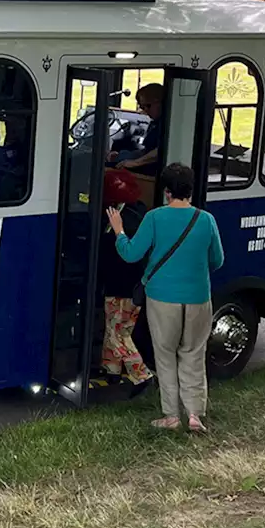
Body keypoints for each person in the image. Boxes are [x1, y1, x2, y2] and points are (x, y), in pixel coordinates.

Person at [108, 163, 224, 431]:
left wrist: (119, 230)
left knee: (165, 354)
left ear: (166, 192)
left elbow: (130, 254)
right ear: (191, 191)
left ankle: (171, 415)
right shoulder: (206, 220)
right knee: (194, 353)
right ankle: (195, 414)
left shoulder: (155, 218)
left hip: (162, 298)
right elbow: (217, 260)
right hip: (198, 298)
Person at [98, 170, 152, 389]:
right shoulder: (140, 211)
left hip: (117, 284)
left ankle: (142, 375)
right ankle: (111, 369)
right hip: (137, 285)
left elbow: (106, 250)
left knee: (115, 332)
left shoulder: (113, 218)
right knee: (122, 328)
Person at [110, 83, 163, 175]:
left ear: (160, 102)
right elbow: (148, 151)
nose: (145, 111)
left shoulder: (170, 125)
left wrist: (135, 163)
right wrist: (120, 156)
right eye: (142, 107)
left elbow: (161, 151)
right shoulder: (156, 123)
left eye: (148, 106)